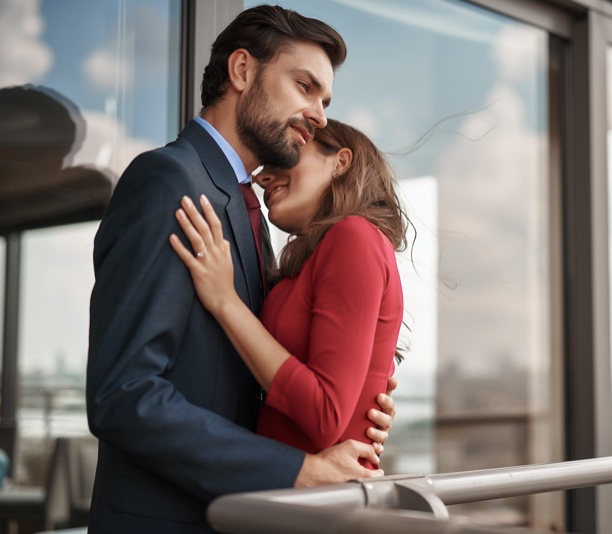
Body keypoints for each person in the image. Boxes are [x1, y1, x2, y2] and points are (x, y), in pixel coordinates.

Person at [86, 6, 396, 533]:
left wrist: (358, 404)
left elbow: (255, 371)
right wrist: (296, 470)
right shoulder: (169, 181)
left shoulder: (250, 213)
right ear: (243, 71)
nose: (318, 114)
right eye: (304, 86)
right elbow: (124, 392)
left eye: (325, 101)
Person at [170, 119, 405, 468]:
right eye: (264, 167)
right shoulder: (312, 261)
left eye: (286, 158)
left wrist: (224, 301)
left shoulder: (354, 237)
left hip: (316, 508)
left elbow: (325, 414)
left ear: (340, 162)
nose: (262, 177)